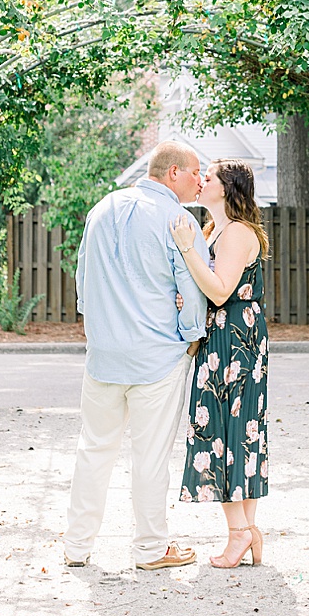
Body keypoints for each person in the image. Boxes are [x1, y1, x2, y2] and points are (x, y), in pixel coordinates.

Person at [61, 140, 211, 571]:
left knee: (94, 449)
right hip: (157, 358)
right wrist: (191, 337)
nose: (201, 180)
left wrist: (101, 329)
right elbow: (193, 287)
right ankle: (150, 549)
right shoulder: (178, 219)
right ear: (174, 173)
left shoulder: (102, 209)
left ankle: (76, 547)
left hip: (104, 355)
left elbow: (83, 279)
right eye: (196, 172)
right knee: (149, 457)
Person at [168, 158, 270, 568]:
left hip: (233, 345)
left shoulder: (236, 233)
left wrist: (187, 249)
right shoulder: (218, 230)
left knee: (226, 433)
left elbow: (220, 289)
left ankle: (239, 535)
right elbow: (207, 288)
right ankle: (249, 532)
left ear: (226, 189)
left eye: (208, 177)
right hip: (232, 338)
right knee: (239, 431)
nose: (200, 180)